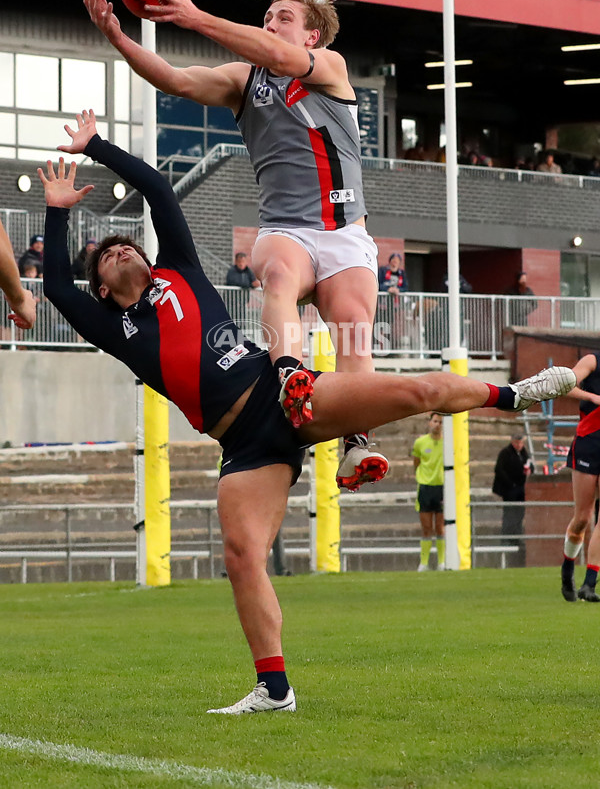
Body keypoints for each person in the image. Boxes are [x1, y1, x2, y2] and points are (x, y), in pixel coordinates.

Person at [41, 111, 576, 713]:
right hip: (243, 447)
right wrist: (57, 208)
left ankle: (514, 395)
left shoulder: (180, 270)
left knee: (413, 394)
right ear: (106, 290)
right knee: (242, 555)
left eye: (122, 243)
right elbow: (58, 289)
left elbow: (160, 188)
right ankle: (274, 689)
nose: (116, 250)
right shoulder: (117, 327)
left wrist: (98, 146)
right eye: (106, 255)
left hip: (282, 396)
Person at [83, 0, 387, 493]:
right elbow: (176, 81)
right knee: (280, 275)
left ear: (312, 36)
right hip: (285, 229)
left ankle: (356, 439)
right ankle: (292, 376)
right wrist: (120, 39)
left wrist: (193, 16)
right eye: (268, 18)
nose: (271, 25)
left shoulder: (328, 68)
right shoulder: (245, 81)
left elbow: (278, 55)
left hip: (343, 232)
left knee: (354, 330)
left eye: (283, 18)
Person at [561, 353, 600, 602]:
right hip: (588, 442)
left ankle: (589, 583)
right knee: (582, 518)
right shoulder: (593, 360)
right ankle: (567, 568)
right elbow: (566, 386)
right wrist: (593, 397)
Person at [492, 431, 534, 567]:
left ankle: (516, 536)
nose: (519, 445)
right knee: (509, 512)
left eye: (521, 442)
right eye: (517, 442)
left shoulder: (524, 454)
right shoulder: (505, 453)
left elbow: (530, 465)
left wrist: (529, 470)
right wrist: (510, 483)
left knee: (519, 513)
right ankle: (506, 538)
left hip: (520, 488)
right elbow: (499, 469)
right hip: (509, 488)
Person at [412, 413, 445, 572]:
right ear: (430, 423)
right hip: (425, 487)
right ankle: (424, 563)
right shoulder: (420, 442)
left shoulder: (448, 443)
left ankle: (442, 562)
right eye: (435, 421)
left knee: (440, 527)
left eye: (440, 422)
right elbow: (416, 463)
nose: (437, 424)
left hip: (442, 488)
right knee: (426, 528)